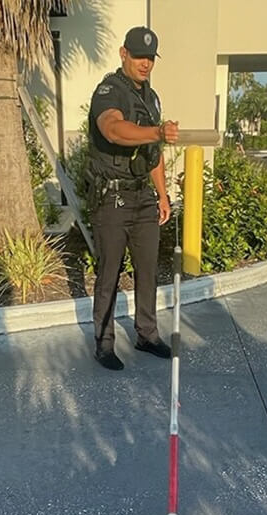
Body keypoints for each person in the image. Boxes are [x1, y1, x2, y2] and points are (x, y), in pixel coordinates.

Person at [86, 26, 179, 371]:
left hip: (143, 199)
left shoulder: (150, 98)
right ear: (123, 53)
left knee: (148, 271)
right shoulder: (108, 91)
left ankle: (146, 334)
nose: (145, 63)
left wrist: (163, 194)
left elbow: (153, 152)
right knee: (109, 273)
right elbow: (112, 128)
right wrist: (157, 131)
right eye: (139, 56)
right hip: (112, 199)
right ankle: (104, 343)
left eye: (150, 58)